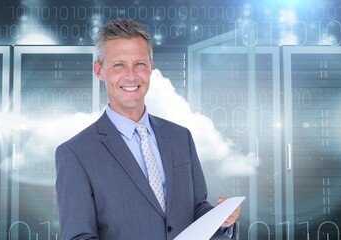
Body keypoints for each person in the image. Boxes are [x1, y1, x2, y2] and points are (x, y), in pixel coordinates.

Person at [55, 18, 241, 240]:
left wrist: (220, 220)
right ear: (99, 70)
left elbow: (195, 210)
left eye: (140, 64)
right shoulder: (76, 154)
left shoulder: (181, 137)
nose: (131, 75)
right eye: (118, 65)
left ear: (151, 67)